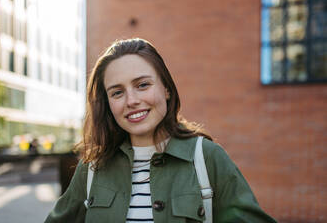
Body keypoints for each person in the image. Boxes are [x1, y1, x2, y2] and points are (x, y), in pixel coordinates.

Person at [45, 38, 276, 223]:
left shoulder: (207, 158)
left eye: (142, 85)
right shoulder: (93, 167)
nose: (131, 100)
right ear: (107, 103)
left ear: (166, 88)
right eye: (117, 92)